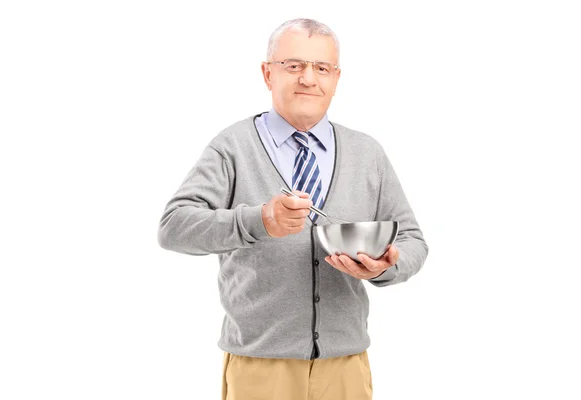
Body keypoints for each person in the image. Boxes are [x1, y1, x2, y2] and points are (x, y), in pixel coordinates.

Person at [157, 18, 429, 400]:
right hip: (260, 366)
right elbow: (174, 226)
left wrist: (388, 265)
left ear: (336, 79)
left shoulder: (367, 153)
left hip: (345, 365)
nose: (308, 79)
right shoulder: (233, 146)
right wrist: (259, 220)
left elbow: (412, 238)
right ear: (268, 74)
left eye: (322, 68)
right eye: (294, 65)